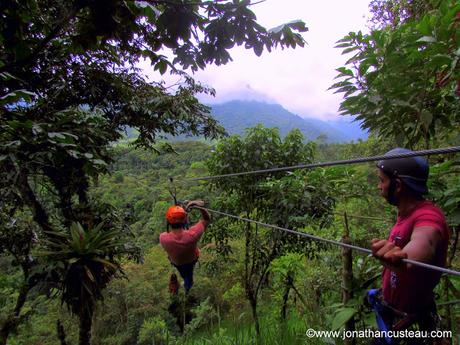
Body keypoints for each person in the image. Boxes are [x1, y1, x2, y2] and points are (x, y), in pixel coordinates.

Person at [369, 148, 450, 345]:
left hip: (413, 328)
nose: (379, 186)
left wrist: (405, 259)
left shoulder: (428, 217)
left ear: (397, 186)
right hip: (393, 316)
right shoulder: (406, 212)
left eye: (382, 180)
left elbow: (425, 243)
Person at [159, 200, 211, 294]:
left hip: (177, 263)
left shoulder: (163, 238)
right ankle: (188, 287)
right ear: (184, 220)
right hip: (191, 260)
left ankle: (186, 284)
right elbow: (206, 220)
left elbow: (173, 233)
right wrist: (200, 207)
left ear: (169, 222)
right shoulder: (193, 234)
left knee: (183, 273)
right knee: (188, 276)